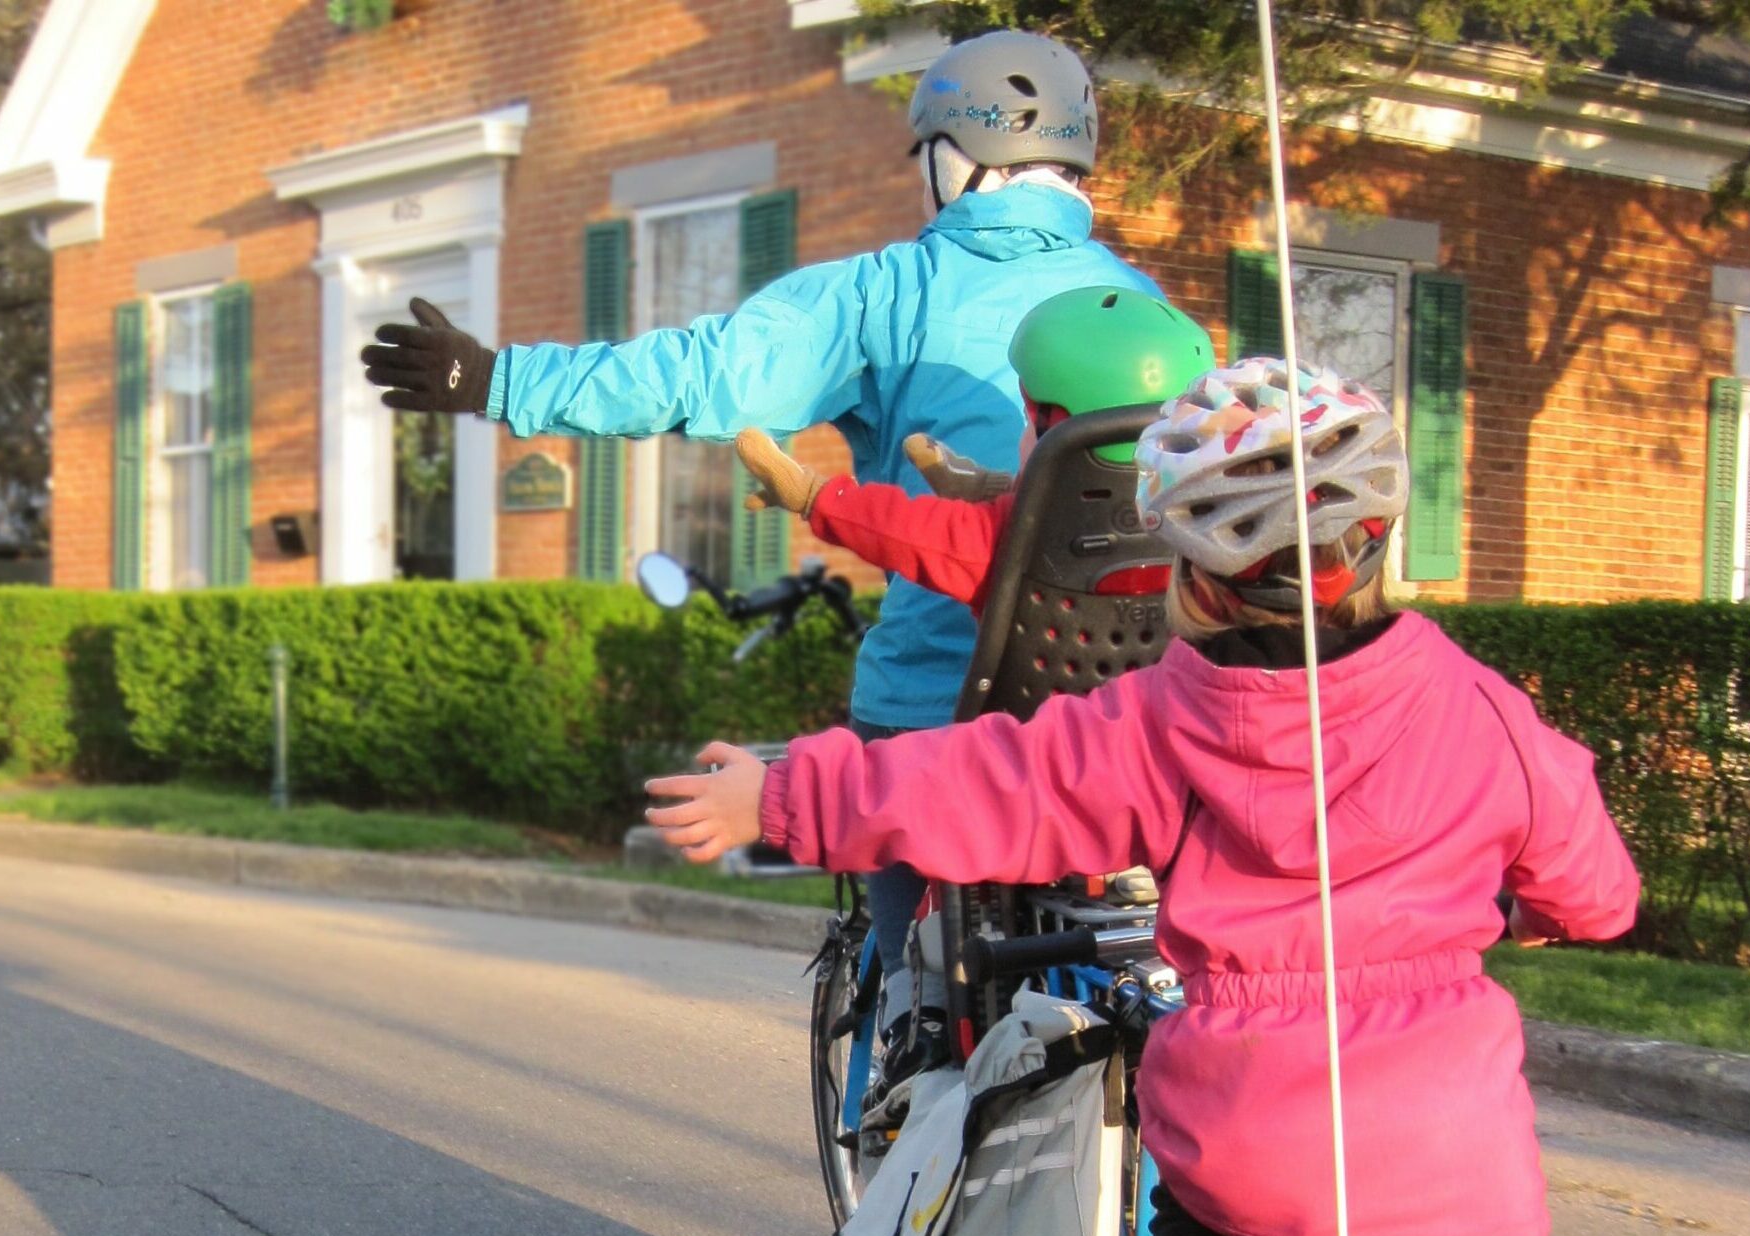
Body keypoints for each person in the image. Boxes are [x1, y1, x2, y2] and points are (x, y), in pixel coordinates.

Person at [644, 358, 1638, 1236]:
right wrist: (1529, 911)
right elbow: (1594, 892)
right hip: (1445, 1142)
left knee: (1207, 1205)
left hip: (1256, 1124)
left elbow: (981, 786)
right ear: (1373, 546)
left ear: (1198, 579)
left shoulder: (1164, 720)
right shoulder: (1479, 708)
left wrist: (783, 795)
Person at [362, 30, 1159, 1096]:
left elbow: (710, 375)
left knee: (918, 1003)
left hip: (939, 707)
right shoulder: (1150, 318)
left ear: (955, 158)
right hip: (1127, 725)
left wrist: (496, 379)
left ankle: (901, 1115)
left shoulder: (892, 290)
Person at [731, 285, 1214, 614]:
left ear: (1061, 432)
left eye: (1030, 420)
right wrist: (986, 489)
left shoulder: (1011, 539)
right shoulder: (1200, 537)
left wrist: (811, 495)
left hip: (1024, 751)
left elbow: (900, 531)